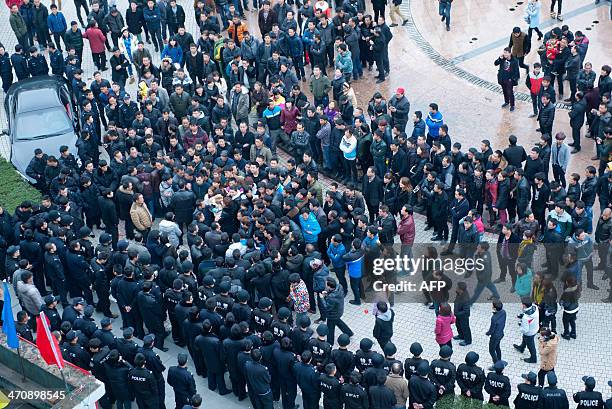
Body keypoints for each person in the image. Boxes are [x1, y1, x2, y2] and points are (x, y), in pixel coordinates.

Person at [319, 277, 354, 345]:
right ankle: (348, 332)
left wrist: (322, 298)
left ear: (329, 286)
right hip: (339, 310)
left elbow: (327, 307)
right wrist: (327, 293)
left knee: (330, 328)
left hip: (332, 314)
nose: (325, 285)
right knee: (338, 321)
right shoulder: (339, 286)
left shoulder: (331, 297)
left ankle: (330, 343)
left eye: (326, 284)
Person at [513, 297, 540, 363]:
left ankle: (533, 358)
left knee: (530, 345)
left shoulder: (526, 318)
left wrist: (520, 325)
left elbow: (525, 330)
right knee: (524, 338)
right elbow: (527, 314)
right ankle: (521, 348)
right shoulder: (534, 307)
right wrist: (522, 315)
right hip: (535, 328)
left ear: (524, 305)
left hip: (529, 332)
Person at [495, 47, 520, 112]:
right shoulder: (502, 58)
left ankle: (512, 105)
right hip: (502, 78)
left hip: (509, 80)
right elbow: (495, 63)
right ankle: (506, 102)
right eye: (504, 52)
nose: (504, 54)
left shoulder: (514, 61)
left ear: (510, 53)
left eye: (506, 53)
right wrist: (499, 58)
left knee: (510, 92)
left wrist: (512, 79)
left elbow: (516, 71)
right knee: (504, 91)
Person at [485, 300, 506, 367]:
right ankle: (499, 360)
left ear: (495, 308)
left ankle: (496, 365)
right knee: (497, 347)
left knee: (491, 350)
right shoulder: (503, 312)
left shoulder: (494, 318)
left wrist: (488, 333)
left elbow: (492, 330)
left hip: (495, 336)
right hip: (501, 334)